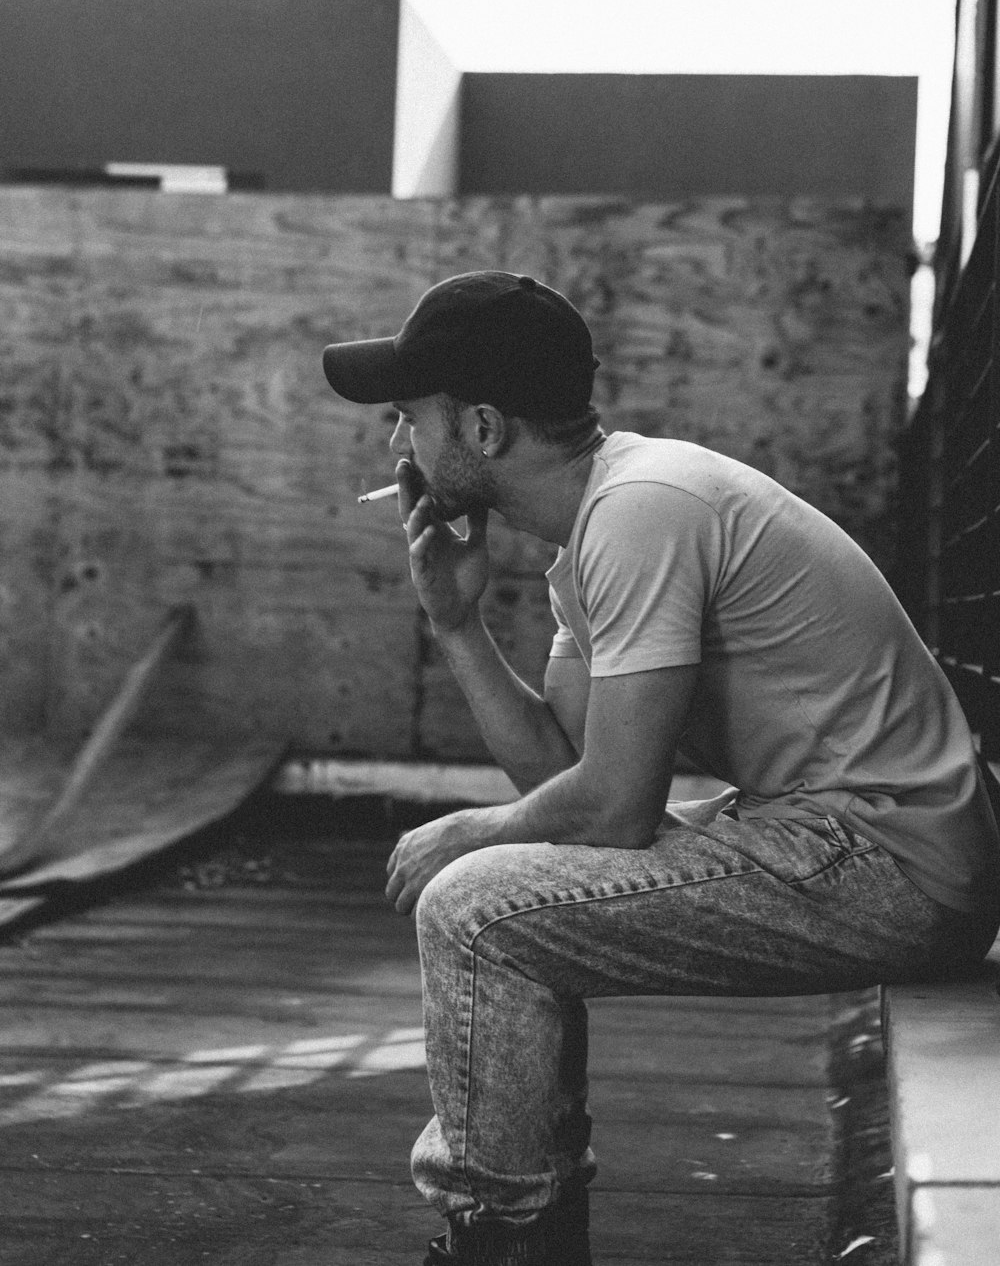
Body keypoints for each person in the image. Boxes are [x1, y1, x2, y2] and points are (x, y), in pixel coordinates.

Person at [322, 270, 1000, 1266]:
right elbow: (566, 780)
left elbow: (612, 807)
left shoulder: (644, 510)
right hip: (835, 839)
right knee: (501, 901)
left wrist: (464, 833)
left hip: (884, 861)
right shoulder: (596, 533)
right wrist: (457, 625)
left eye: (405, 417)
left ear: (480, 427)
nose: (396, 446)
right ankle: (521, 1227)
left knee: (473, 909)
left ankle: (505, 1239)